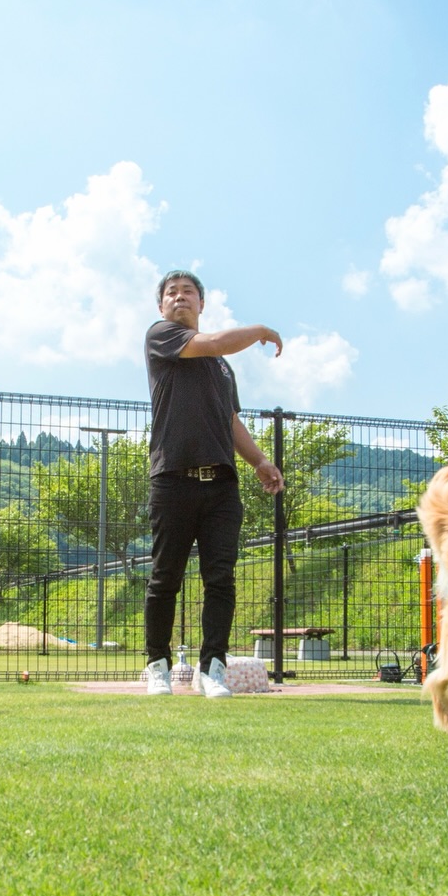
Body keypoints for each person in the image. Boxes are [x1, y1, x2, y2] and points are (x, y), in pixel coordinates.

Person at [142, 271, 285, 698]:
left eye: (188, 292)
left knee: (220, 579)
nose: (179, 297)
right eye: (171, 293)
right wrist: (260, 330)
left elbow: (230, 420)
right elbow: (218, 342)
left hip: (222, 485)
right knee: (165, 577)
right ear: (161, 306)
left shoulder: (222, 368)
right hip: (172, 479)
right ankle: (157, 666)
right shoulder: (161, 337)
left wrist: (259, 460)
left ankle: (213, 669)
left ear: (202, 304)